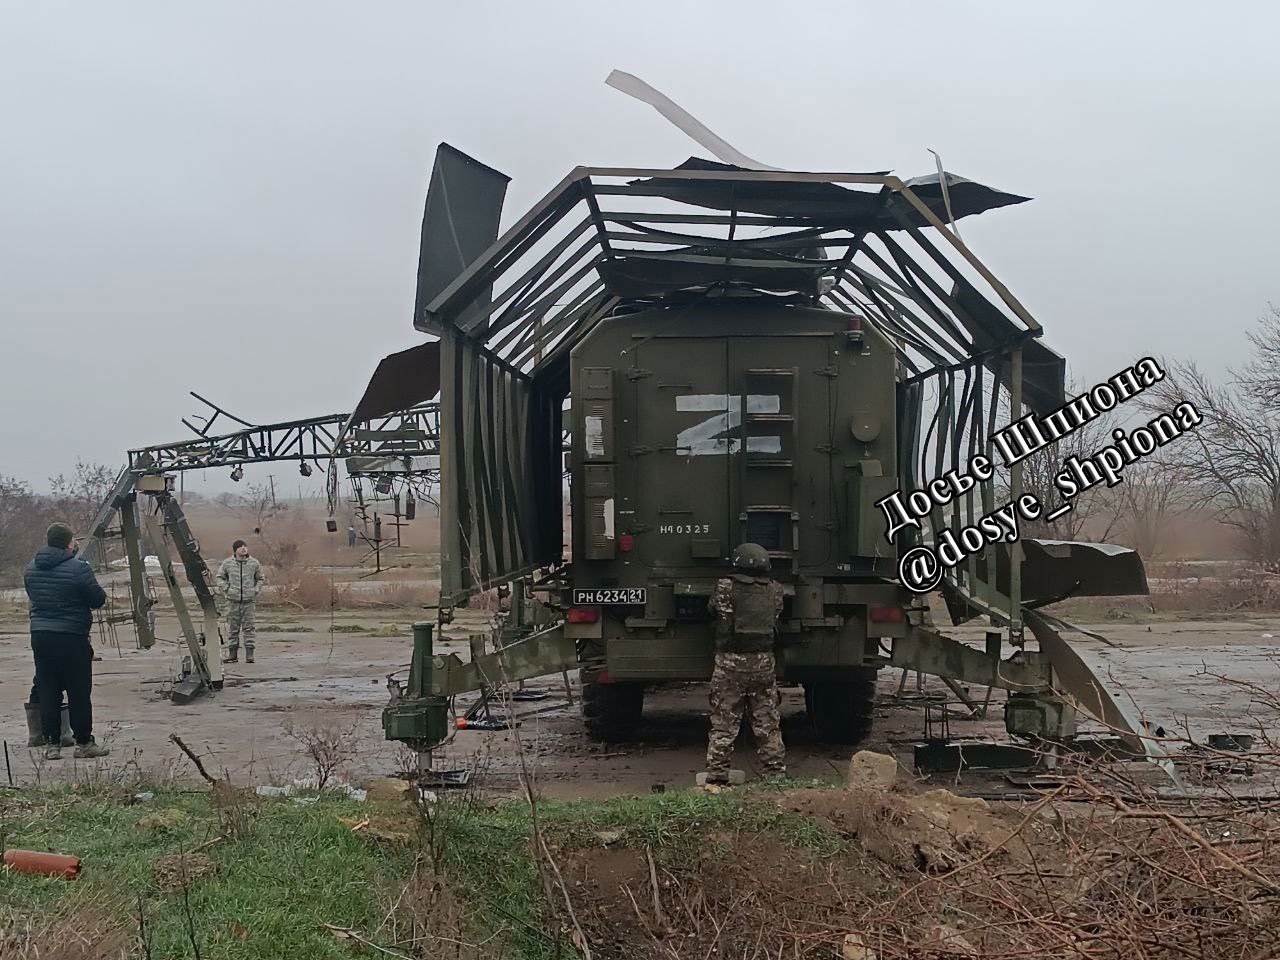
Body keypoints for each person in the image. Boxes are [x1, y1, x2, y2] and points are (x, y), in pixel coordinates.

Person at [23, 522, 110, 760]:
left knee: (48, 689)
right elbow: (97, 599)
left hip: (40, 635)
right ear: (69, 543)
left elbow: (33, 595)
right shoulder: (79, 568)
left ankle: (52, 744)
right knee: (78, 690)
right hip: (72, 636)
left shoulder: (31, 567)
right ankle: (84, 742)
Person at [704, 542, 786, 783]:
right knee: (767, 720)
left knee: (724, 721)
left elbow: (713, 611)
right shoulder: (775, 589)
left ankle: (718, 774)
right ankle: (775, 774)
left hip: (730, 663)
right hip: (763, 663)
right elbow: (776, 616)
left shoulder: (724, 587)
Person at [217, 539, 264, 664]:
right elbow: (219, 578)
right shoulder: (227, 563)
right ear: (235, 550)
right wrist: (227, 589)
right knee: (233, 628)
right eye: (240, 547)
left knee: (249, 628)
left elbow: (260, 578)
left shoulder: (254, 563)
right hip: (233, 601)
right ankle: (233, 654)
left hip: (249, 601)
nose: (244, 548)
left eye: (245, 546)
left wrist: (255, 590)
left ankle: (250, 655)